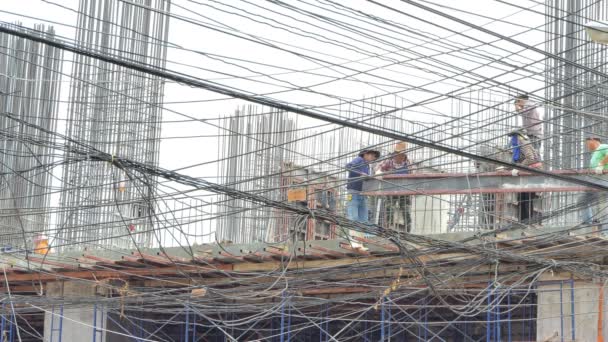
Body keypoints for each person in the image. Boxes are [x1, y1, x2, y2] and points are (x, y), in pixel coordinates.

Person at [375, 142, 413, 233]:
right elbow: (377, 169)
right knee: (389, 210)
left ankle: (408, 231)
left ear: (404, 155)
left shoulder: (408, 162)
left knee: (406, 211)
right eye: (397, 155)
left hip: (404, 191)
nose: (398, 157)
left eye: (400, 155)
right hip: (390, 191)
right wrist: (379, 173)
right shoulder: (388, 161)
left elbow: (413, 174)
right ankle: (389, 229)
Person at [508, 129, 543, 224]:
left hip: (532, 173)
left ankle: (527, 222)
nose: (512, 140)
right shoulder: (518, 145)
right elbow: (517, 160)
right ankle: (522, 221)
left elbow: (530, 158)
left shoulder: (523, 143)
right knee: (521, 197)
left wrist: (518, 168)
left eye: (513, 137)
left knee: (527, 198)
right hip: (526, 172)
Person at [579, 137, 608, 234]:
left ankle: (606, 232)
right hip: (594, 183)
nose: (587, 146)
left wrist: (601, 165)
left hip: (604, 181)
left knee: (603, 206)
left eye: (587, 143)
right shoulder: (594, 154)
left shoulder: (602, 147)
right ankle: (589, 223)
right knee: (582, 200)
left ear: (593, 140)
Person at [345, 148, 380, 223]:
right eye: (372, 155)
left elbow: (364, 178)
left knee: (364, 219)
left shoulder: (367, 166)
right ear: (365, 154)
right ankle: (353, 233)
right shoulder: (359, 159)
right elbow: (348, 166)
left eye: (374, 157)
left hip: (363, 193)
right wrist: (360, 173)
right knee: (353, 218)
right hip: (354, 191)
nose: (373, 158)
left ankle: (360, 234)